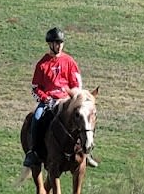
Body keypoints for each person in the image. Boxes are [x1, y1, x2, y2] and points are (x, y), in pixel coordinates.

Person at [23, 27, 99, 168]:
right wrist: (45, 98)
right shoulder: (42, 64)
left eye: (60, 43)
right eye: (56, 43)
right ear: (50, 44)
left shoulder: (70, 62)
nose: (59, 46)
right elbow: (35, 88)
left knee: (85, 117)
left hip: (67, 100)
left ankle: (87, 152)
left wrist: (73, 97)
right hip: (48, 101)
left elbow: (77, 83)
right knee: (37, 117)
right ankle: (33, 152)